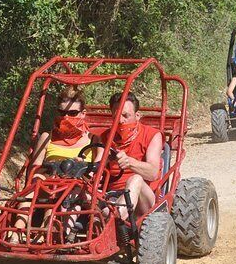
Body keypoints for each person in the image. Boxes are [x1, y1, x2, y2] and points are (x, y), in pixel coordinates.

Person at [11, 86, 102, 243]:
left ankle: (47, 231)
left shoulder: (93, 140)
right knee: (36, 182)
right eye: (62, 113)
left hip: (77, 183)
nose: (66, 117)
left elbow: (97, 170)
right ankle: (17, 230)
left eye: (72, 113)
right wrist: (46, 173)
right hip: (49, 179)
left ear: (83, 114)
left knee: (64, 188)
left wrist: (81, 166)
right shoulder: (47, 137)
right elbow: (35, 167)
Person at [105, 92, 163, 223]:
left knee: (135, 179)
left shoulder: (151, 135)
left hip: (145, 198)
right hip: (112, 196)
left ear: (137, 116)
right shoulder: (105, 138)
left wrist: (130, 163)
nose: (121, 121)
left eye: (126, 116)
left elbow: (153, 173)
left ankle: (115, 220)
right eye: (116, 116)